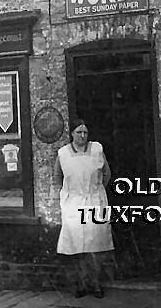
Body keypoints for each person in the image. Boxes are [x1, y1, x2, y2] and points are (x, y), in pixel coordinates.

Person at [52, 118, 114, 298]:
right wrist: (67, 194)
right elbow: (57, 176)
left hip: (94, 200)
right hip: (73, 203)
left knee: (95, 244)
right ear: (71, 134)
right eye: (79, 132)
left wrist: (95, 190)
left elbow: (107, 173)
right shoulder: (63, 153)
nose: (83, 136)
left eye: (85, 132)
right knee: (76, 245)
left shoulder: (97, 149)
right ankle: (80, 284)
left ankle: (95, 284)